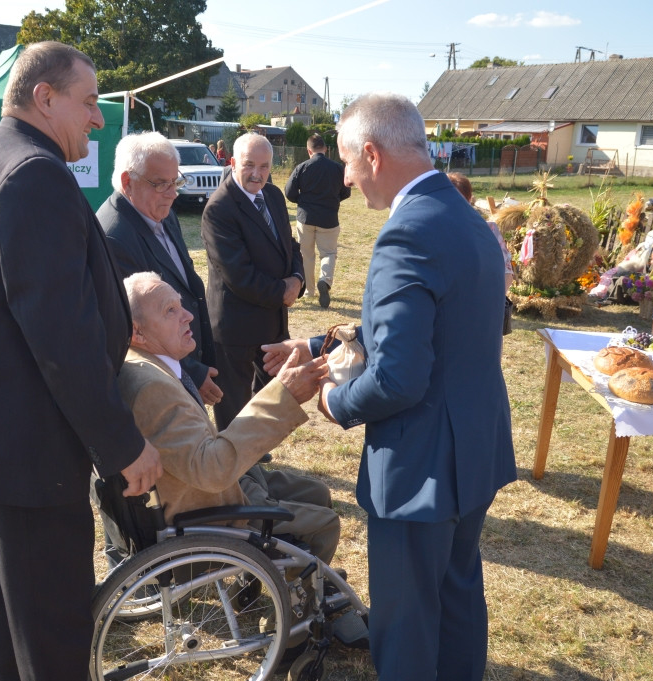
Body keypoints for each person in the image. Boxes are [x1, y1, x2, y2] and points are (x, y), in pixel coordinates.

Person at [0, 41, 162, 681]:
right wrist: (121, 443)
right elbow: (62, 334)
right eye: (88, 102)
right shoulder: (33, 173)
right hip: (28, 446)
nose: (100, 119)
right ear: (44, 98)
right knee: (51, 629)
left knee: (7, 610)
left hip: (1, 438)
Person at [264, 93, 516, 680]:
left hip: (421, 462)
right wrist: (328, 346)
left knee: (404, 624)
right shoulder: (462, 216)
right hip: (473, 445)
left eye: (349, 164)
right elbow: (437, 328)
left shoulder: (406, 234)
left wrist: (333, 400)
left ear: (372, 154)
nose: (347, 182)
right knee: (456, 595)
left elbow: (400, 377)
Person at [117, 271, 339, 562]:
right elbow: (211, 470)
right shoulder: (152, 388)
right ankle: (298, 601)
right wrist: (284, 395)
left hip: (218, 488)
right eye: (170, 311)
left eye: (180, 305)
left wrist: (280, 393)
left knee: (318, 492)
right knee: (325, 524)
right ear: (138, 332)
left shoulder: (145, 364)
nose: (188, 316)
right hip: (210, 516)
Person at [99, 131, 221, 406]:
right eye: (161, 184)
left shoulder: (162, 213)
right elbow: (136, 329)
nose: (173, 193)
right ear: (127, 182)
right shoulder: (113, 236)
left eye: (175, 181)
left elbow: (186, 283)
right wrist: (192, 373)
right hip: (158, 383)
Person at [201, 132, 304, 430]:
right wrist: (283, 292)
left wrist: (297, 279)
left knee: (269, 397)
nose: (257, 174)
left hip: (272, 323)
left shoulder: (272, 195)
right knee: (233, 409)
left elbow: (290, 247)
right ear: (232, 163)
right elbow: (239, 276)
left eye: (264, 166)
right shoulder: (219, 209)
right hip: (236, 328)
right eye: (249, 165)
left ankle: (256, 453)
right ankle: (236, 471)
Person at [285, 133, 352, 308]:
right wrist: (333, 200)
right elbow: (346, 191)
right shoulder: (337, 169)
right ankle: (325, 280)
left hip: (305, 218)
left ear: (309, 151)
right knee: (328, 253)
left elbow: (289, 192)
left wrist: (302, 201)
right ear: (326, 149)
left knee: (305, 254)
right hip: (329, 218)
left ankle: (309, 290)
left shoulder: (302, 167)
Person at [446, 172, 513, 293]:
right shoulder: (434, 232)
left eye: (459, 200)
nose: (453, 206)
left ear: (470, 200)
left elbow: (507, 272)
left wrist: (494, 300)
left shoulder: (490, 230)